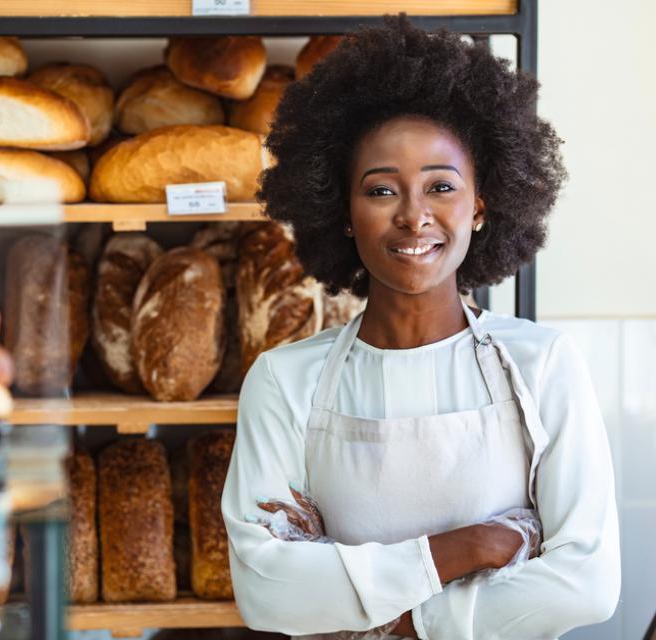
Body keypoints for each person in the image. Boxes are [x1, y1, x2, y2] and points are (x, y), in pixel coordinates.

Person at [221, 17, 621, 640]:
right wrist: (467, 548)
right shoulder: (284, 380)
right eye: (382, 190)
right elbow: (268, 591)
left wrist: (398, 622)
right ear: (344, 213)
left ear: (481, 207)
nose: (414, 217)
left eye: (441, 186)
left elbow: (587, 582)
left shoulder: (543, 365)